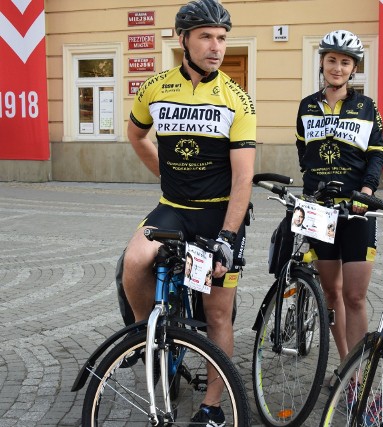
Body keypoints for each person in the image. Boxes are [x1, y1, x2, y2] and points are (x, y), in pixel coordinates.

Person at [122, 1, 256, 425]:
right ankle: (149, 335)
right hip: (173, 209)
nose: (215, 46)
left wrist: (228, 238)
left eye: (221, 38)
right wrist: (164, 173)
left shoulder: (237, 100)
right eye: (205, 37)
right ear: (183, 40)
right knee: (134, 261)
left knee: (217, 314)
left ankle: (212, 407)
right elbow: (136, 133)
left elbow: (242, 180)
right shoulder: (156, 87)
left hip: (217, 216)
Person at [295, 30, 383, 363]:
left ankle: (359, 376)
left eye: (345, 62)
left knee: (355, 296)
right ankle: (346, 363)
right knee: (332, 293)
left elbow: (376, 154)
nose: (337, 67)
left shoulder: (365, 107)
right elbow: (304, 152)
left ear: (353, 68)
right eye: (332, 60)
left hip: (357, 210)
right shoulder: (307, 106)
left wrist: (366, 191)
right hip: (319, 211)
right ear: (322, 62)